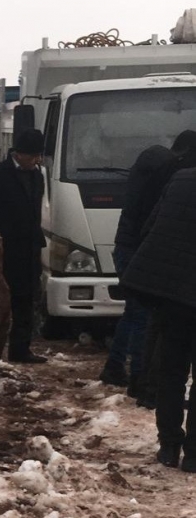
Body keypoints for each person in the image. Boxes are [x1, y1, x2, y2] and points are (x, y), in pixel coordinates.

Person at [102, 131, 196, 402]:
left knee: (134, 314)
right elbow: (153, 222)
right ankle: (141, 382)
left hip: (128, 247)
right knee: (145, 320)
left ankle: (115, 367)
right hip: (139, 251)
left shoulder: (150, 168)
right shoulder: (165, 172)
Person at [122, 163, 196, 471]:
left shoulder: (179, 178)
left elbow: (149, 228)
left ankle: (168, 445)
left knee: (171, 371)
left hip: (172, 295)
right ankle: (193, 456)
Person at [0, 128, 47, 364]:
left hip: (29, 249)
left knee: (26, 301)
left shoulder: (37, 176)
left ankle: (20, 349)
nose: (36, 161)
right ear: (19, 154)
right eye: (33, 156)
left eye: (38, 157)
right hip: (4, 250)